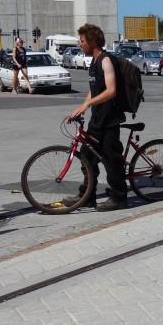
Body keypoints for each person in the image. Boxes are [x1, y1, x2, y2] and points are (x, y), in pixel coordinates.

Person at [63, 24, 128, 212]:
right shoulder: (93, 62)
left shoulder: (106, 60)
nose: (80, 44)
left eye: (82, 41)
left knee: (111, 160)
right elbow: (94, 90)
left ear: (92, 41)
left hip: (110, 121)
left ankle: (119, 198)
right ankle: (87, 196)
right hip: (97, 120)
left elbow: (111, 90)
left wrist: (87, 105)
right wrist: (81, 108)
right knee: (87, 158)